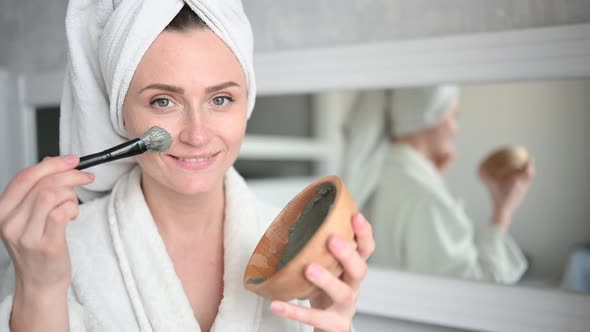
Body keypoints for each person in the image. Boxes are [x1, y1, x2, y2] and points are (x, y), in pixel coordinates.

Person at [0, 1, 375, 331]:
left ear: (247, 104)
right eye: (163, 101)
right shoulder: (58, 251)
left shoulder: (298, 249)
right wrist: (40, 289)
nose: (196, 135)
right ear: (121, 117)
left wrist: (332, 330)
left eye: (221, 99)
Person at [341, 86, 533, 283]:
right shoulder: (425, 196)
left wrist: (434, 178)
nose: (455, 129)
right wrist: (502, 214)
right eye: (453, 116)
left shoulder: (378, 171)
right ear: (432, 118)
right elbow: (476, 291)